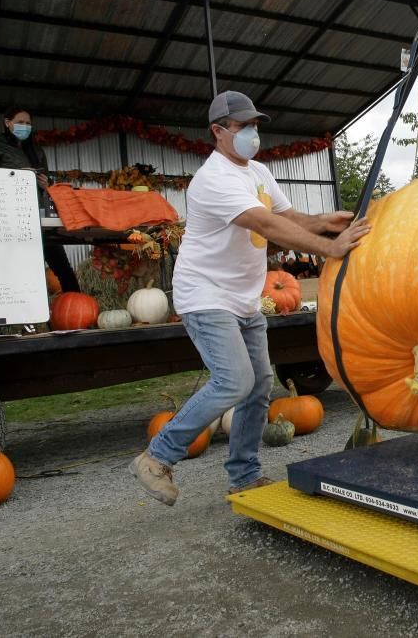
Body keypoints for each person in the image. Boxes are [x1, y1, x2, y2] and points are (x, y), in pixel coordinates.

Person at [129, 90, 370, 505]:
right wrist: (328, 247)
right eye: (243, 127)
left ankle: (244, 475)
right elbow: (263, 223)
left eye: (255, 125)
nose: (253, 133)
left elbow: (287, 217)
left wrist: (322, 221)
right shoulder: (213, 180)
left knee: (258, 384)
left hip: (243, 298)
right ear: (219, 132)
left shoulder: (257, 171)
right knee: (233, 381)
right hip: (205, 295)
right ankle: (157, 457)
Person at [0, 106, 80, 292]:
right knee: (16, 269)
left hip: (40, 217)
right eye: (20, 122)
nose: (24, 126)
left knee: (63, 269)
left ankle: (76, 304)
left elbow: (48, 183)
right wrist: (15, 175)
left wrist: (45, 183)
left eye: (28, 123)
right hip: (11, 219)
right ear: (7, 122)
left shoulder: (36, 150)